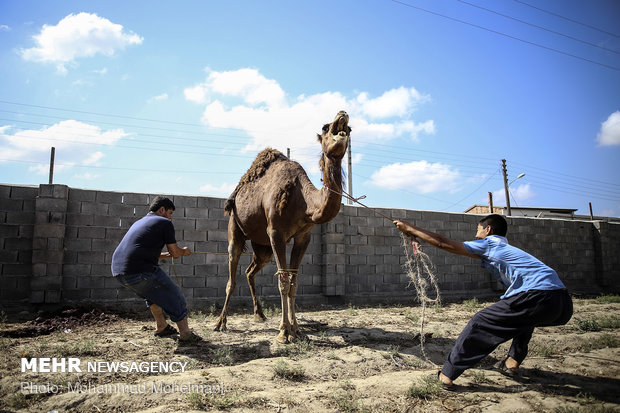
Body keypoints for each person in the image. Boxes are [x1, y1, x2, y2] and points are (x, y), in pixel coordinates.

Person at [393, 214, 572, 388]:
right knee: (524, 319)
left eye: (478, 229)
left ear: (488, 229)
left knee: (480, 321)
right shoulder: (507, 250)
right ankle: (513, 362)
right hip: (561, 303)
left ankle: (447, 374)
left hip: (538, 295)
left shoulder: (490, 245)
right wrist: (415, 234)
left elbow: (443, 243)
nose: (475, 233)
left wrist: (410, 228)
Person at [111, 196, 202, 343]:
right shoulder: (164, 222)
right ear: (162, 210)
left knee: (153, 296)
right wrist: (183, 251)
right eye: (170, 213)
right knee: (176, 297)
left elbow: (143, 252)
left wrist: (171, 254)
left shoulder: (139, 222)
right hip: (140, 271)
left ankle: (162, 326)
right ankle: (186, 334)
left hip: (119, 272)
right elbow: (175, 252)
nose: (170, 217)